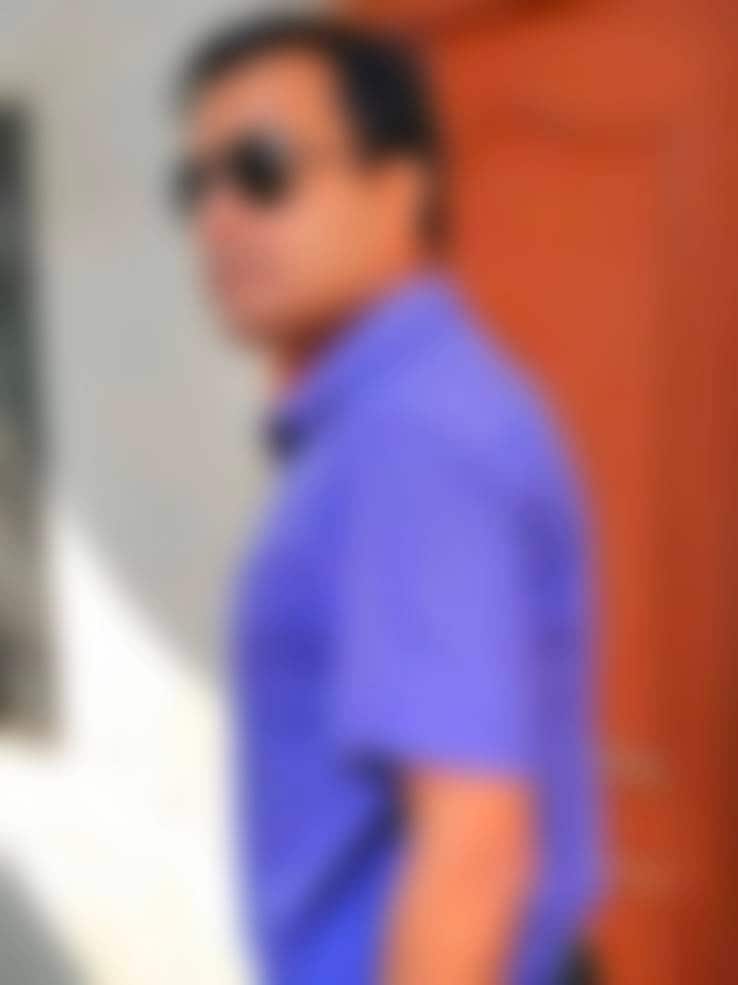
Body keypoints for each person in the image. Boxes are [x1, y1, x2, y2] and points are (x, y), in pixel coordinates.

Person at [173, 14, 600, 985]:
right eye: (194, 185)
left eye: (262, 169)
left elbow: (472, 850)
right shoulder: (393, 419)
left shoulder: (411, 435)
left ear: (402, 186)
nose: (218, 219)